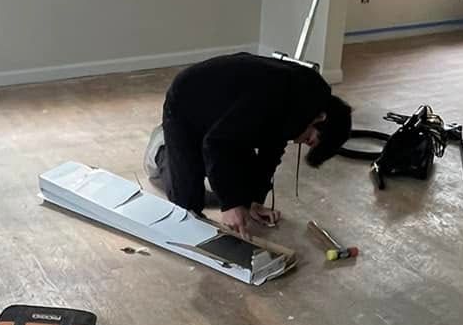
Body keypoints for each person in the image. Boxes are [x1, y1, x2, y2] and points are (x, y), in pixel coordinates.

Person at [146, 52, 353, 240]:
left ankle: (196, 160)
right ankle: (163, 151)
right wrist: (230, 204)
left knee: (241, 188)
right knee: (188, 207)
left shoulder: (300, 107)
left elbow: (271, 152)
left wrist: (254, 200)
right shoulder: (274, 97)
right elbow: (216, 143)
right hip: (186, 104)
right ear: (320, 117)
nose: (301, 143)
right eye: (309, 139)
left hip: (229, 118)